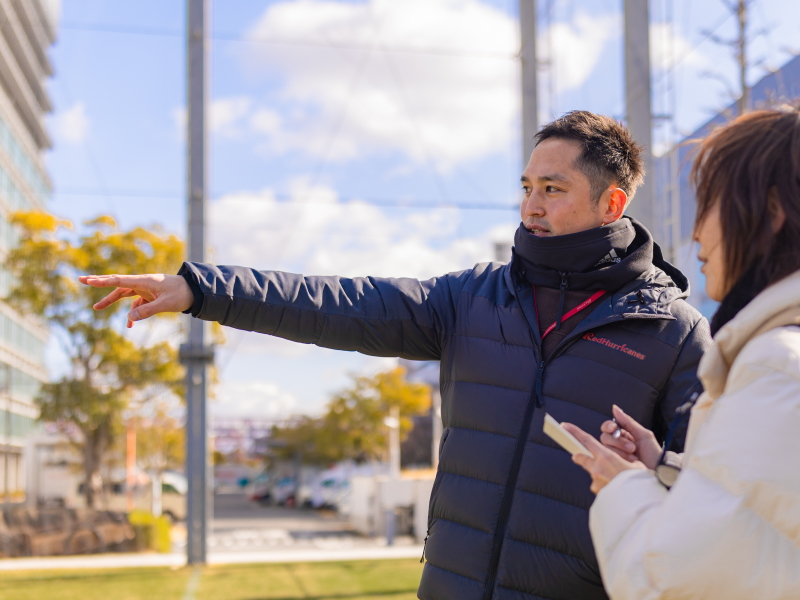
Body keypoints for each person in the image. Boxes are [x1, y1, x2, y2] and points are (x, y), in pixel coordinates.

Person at [81, 111, 710, 600]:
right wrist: (203, 290)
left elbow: (706, 487)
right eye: (526, 187)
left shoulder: (674, 332)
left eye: (552, 188)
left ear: (612, 203)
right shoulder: (472, 299)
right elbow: (335, 303)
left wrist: (651, 474)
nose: (531, 206)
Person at [563, 106, 800, 600]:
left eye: (710, 202)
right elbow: (765, 531)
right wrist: (665, 470)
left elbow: (672, 583)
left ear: (772, 212)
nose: (697, 233)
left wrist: (623, 486)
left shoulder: (777, 365)